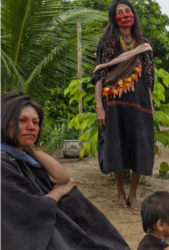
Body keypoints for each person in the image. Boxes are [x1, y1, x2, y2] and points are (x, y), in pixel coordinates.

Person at [1, 92, 130, 250]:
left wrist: (32, 148)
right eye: (23, 121)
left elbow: (62, 178)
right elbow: (26, 211)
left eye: (36, 123)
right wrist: (58, 193)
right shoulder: (3, 162)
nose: (31, 127)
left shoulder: (21, 154)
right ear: (4, 121)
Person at [91, 0, 155, 210]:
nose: (125, 14)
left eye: (128, 11)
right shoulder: (108, 42)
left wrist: (151, 107)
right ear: (114, 17)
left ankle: (133, 193)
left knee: (141, 145)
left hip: (140, 103)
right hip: (115, 102)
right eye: (120, 12)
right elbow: (100, 75)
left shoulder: (143, 43)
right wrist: (100, 107)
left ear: (134, 15)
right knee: (115, 144)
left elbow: (148, 78)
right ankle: (119, 190)